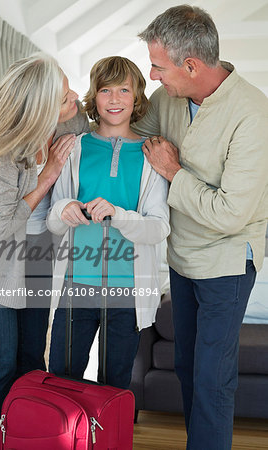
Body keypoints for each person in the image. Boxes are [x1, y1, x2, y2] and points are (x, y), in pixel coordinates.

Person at [130, 5, 268, 450]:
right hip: (182, 256)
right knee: (189, 367)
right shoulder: (170, 97)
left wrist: (173, 171)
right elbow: (128, 133)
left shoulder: (253, 115)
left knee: (211, 375)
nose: (152, 76)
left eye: (158, 66)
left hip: (227, 259)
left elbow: (230, 213)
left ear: (191, 66)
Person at [0, 52, 89, 450]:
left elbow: (104, 123)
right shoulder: (2, 153)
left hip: (37, 259)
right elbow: (3, 229)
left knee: (31, 362)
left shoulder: (68, 116)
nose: (73, 96)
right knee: (0, 365)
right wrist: (49, 173)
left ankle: (24, 439)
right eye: (62, 96)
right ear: (39, 108)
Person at [47, 56, 170, 389]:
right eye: (105, 90)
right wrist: (65, 209)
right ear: (94, 97)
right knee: (61, 381)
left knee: (115, 386)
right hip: (75, 287)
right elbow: (53, 220)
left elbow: (159, 227)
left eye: (124, 90)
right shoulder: (73, 149)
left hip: (127, 293)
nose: (114, 99)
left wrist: (119, 214)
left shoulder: (151, 155)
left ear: (137, 97)